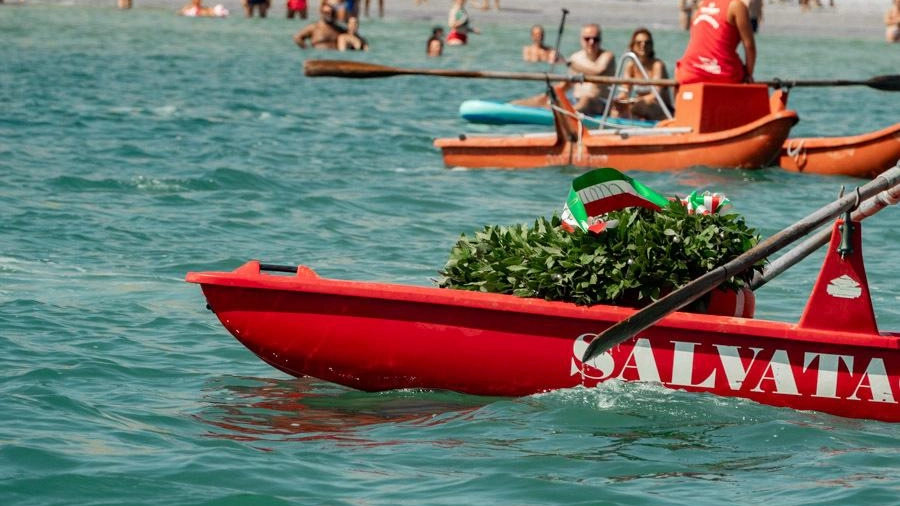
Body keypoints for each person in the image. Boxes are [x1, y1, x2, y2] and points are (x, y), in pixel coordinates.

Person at [675, 0, 756, 85]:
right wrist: (748, 75)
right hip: (724, 73)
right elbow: (749, 46)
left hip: (689, 71)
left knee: (680, 72)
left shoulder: (701, 4)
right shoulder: (737, 6)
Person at [613, 28, 673, 121]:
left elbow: (655, 95)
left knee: (641, 106)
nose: (643, 45)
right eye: (639, 43)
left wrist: (636, 101)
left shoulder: (657, 65)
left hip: (661, 109)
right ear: (633, 46)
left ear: (651, 45)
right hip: (640, 105)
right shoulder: (630, 66)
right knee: (615, 111)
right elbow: (625, 92)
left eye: (647, 43)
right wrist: (617, 100)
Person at [566, 23, 617, 115]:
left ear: (600, 40)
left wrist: (569, 64)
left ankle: (566, 114)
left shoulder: (607, 56)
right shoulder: (575, 57)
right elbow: (567, 84)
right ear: (581, 40)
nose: (591, 42)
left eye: (595, 39)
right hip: (575, 100)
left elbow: (598, 71)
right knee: (548, 98)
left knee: (586, 99)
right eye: (587, 39)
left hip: (599, 103)